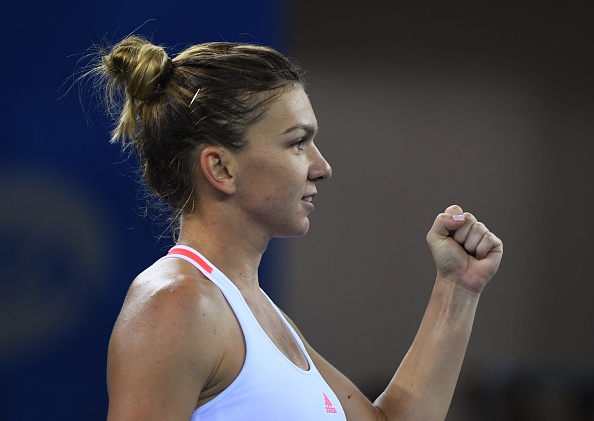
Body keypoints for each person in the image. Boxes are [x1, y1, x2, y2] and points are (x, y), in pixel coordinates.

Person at [94, 35, 503, 421]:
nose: (322, 167)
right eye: (296, 143)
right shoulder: (175, 304)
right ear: (221, 168)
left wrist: (457, 289)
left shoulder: (260, 313)